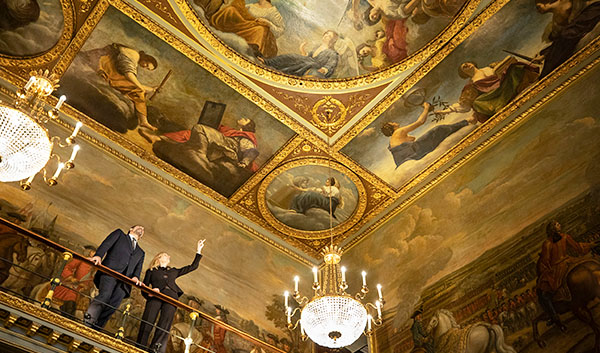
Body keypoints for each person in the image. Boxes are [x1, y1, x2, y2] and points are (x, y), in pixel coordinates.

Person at [136, 239, 206, 353]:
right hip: (155, 297)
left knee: (164, 325)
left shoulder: (173, 271)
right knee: (148, 321)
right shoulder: (151, 271)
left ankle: (156, 350)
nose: (168, 256)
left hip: (171, 298)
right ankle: (139, 347)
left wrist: (199, 250)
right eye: (165, 255)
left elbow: (192, 267)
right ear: (158, 258)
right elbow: (144, 288)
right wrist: (149, 293)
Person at [434, 56, 539, 123]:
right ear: (464, 74)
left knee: (514, 68)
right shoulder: (470, 85)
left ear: (473, 63)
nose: (466, 65)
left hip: (502, 86)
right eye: (463, 67)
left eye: (466, 63)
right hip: (492, 96)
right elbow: (464, 105)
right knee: (477, 103)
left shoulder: (488, 69)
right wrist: (445, 111)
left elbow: (501, 73)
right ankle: (500, 106)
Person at [536, 220, 595, 330]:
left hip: (558, 268)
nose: (560, 225)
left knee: (544, 294)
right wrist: (589, 245)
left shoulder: (547, 244)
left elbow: (545, 261)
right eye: (558, 224)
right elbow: (578, 248)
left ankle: (554, 316)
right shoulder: (565, 237)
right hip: (569, 261)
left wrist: (546, 271)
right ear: (554, 229)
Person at [139, 118, 259, 171]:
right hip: (219, 144)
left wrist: (244, 162)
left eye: (245, 119)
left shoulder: (247, 137)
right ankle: (157, 138)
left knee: (200, 128)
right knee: (189, 133)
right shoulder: (234, 131)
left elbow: (251, 151)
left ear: (246, 126)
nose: (242, 118)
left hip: (227, 148)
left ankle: (200, 154)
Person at [85, 225, 146, 330]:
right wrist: (98, 255)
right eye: (138, 227)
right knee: (104, 296)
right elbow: (106, 244)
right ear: (131, 229)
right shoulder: (119, 234)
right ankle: (87, 323)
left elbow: (138, 268)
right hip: (110, 272)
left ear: (141, 236)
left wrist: (135, 277)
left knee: (112, 306)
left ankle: (96, 329)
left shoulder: (141, 252)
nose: (141, 228)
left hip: (124, 283)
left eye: (143, 229)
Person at [91, 43, 159, 131]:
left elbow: (130, 82)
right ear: (146, 58)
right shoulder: (133, 55)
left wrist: (151, 89)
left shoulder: (135, 57)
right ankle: (143, 121)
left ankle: (143, 121)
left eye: (147, 69)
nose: (144, 67)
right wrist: (141, 88)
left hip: (112, 69)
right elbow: (128, 75)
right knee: (138, 91)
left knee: (137, 89)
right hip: (107, 66)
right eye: (146, 65)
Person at [382, 102, 470, 168]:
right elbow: (420, 122)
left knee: (435, 133)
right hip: (414, 152)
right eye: (392, 123)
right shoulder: (399, 131)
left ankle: (465, 122)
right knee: (438, 129)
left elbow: (406, 143)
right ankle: (466, 121)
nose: (394, 122)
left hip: (406, 158)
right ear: (392, 127)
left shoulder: (393, 140)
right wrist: (426, 108)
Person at [535, 0, 600, 78]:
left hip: (594, 9)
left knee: (567, 34)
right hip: (577, 25)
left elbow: (567, 34)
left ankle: (545, 75)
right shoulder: (555, 21)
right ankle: (545, 75)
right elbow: (559, 40)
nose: (538, 10)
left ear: (545, 2)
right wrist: (544, 55)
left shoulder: (566, 2)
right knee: (564, 37)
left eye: (539, 7)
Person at [194, 0, 278, 57]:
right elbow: (243, 13)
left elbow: (280, 30)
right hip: (234, 20)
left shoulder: (273, 12)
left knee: (261, 29)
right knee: (230, 10)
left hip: (244, 24)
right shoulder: (251, 6)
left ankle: (254, 47)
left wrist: (263, 22)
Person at [260, 30, 340, 78]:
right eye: (326, 34)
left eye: (329, 36)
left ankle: (278, 69)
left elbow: (330, 66)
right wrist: (302, 48)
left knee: (297, 60)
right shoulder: (317, 47)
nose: (326, 36)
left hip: (313, 65)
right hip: (308, 61)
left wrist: (322, 70)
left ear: (333, 40)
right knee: (290, 57)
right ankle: (268, 62)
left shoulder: (332, 53)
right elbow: (307, 56)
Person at [54, 245, 96, 317]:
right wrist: (71, 278)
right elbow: (67, 268)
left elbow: (92, 279)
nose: (94, 253)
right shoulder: (80, 260)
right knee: (71, 297)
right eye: (93, 252)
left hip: (84, 289)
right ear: (89, 252)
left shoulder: (94, 267)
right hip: (74, 285)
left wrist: (88, 286)